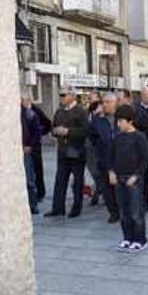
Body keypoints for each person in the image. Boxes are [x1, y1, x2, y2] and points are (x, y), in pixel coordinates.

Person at [109, 105, 148, 253]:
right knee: (123, 212)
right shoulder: (117, 137)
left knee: (135, 212)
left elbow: (146, 159)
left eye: (121, 121)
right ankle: (127, 238)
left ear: (130, 121)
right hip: (119, 179)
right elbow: (111, 156)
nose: (118, 124)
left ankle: (140, 239)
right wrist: (111, 171)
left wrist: (136, 176)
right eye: (117, 121)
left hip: (134, 180)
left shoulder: (139, 137)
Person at [45, 86, 89, 219]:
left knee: (77, 181)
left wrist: (68, 132)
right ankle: (58, 208)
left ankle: (76, 207)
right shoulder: (59, 111)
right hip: (62, 151)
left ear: (72, 96)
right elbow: (52, 127)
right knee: (60, 180)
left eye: (64, 95)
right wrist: (55, 131)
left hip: (76, 150)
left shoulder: (81, 111)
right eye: (60, 95)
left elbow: (85, 130)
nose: (61, 98)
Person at [89, 92, 119, 223]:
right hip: (104, 158)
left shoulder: (121, 118)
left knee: (120, 188)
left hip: (120, 159)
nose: (105, 105)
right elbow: (92, 137)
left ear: (115, 103)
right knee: (107, 188)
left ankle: (122, 210)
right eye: (104, 102)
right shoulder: (97, 120)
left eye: (108, 102)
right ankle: (113, 212)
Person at [21, 96, 43, 214]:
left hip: (26, 150)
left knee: (30, 179)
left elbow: (36, 132)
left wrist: (30, 145)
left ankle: (33, 205)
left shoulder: (29, 114)